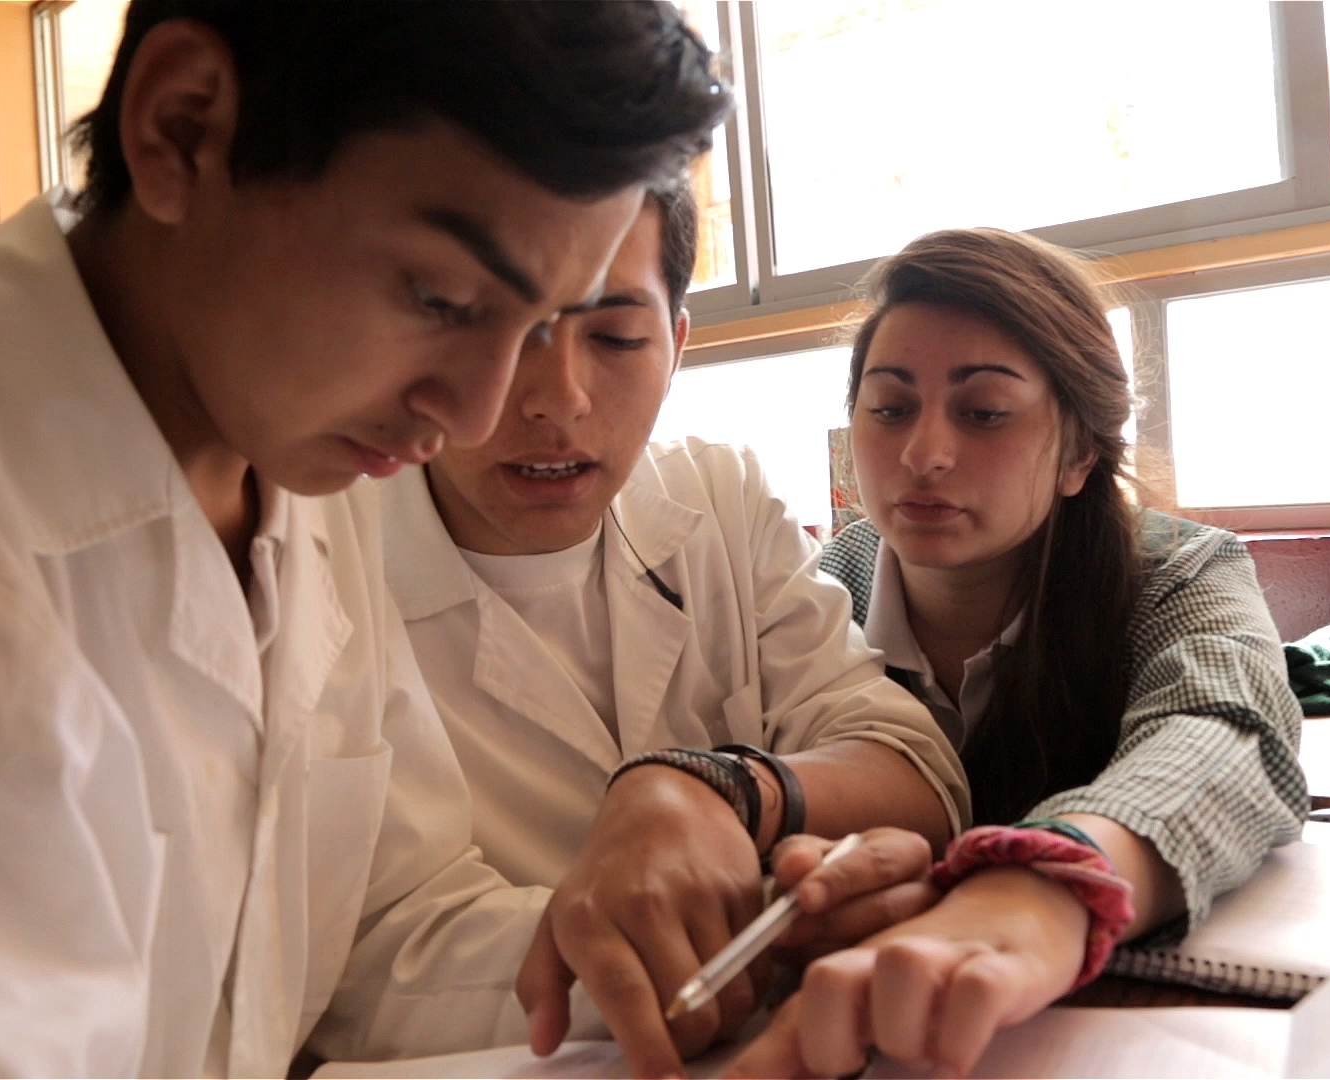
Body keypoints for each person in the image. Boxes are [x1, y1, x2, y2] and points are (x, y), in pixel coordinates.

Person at [0, 3, 729, 1075]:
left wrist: (687, 961)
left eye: (546, 321)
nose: (483, 412)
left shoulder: (299, 474)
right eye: (439, 297)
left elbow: (375, 926)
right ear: (184, 129)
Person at [378, 184, 969, 1077]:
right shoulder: (323, 555)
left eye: (615, 337)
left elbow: (912, 766)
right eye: (486, 324)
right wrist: (750, 932)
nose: (558, 399)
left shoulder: (719, 499)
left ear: (677, 344)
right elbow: (363, 955)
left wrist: (719, 790)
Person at [728, 228, 1307, 1078]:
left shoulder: (1177, 573)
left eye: (985, 412)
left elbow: (1231, 734)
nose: (924, 453)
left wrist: (1046, 884)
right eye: (889, 409)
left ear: (1079, 451)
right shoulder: (808, 593)